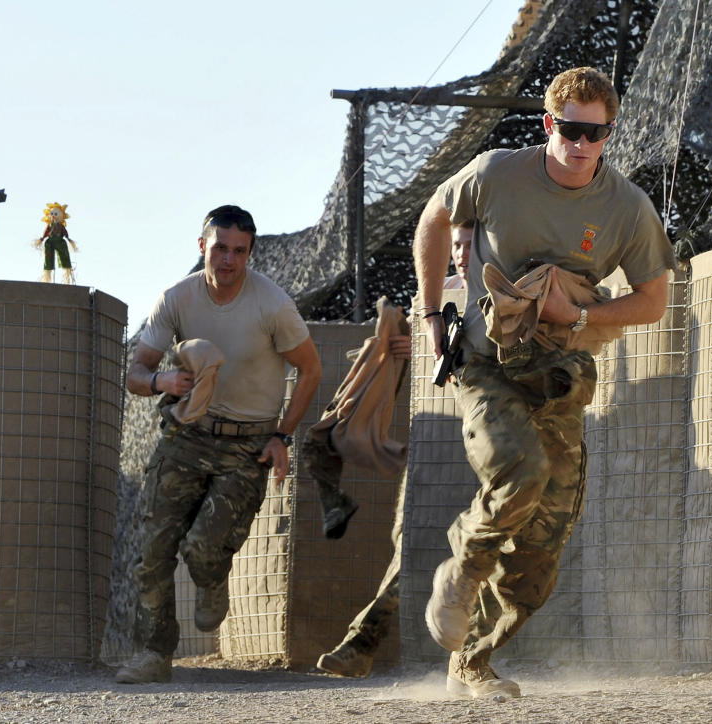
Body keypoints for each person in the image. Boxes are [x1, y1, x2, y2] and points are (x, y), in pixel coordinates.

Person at [413, 67, 675, 698]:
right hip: (485, 365)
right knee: (517, 471)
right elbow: (433, 218)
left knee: (543, 545)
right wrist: (429, 314)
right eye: (571, 129)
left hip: (561, 377)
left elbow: (653, 301)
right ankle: (461, 569)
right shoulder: (498, 173)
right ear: (548, 124)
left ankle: (473, 659)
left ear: (608, 135)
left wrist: (580, 315)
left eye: (597, 133)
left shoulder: (626, 208)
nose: (581, 144)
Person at [115, 205, 323, 684]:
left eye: (239, 252)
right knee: (152, 547)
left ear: (249, 253)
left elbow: (310, 369)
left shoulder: (272, 304)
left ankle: (212, 579)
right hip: (187, 435)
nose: (228, 260)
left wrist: (281, 436)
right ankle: (153, 652)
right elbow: (136, 372)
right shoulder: (176, 298)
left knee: (204, 548)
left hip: (246, 444)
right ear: (202, 246)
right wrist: (161, 379)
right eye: (220, 248)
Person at [316, 222, 472, 678]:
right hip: (436, 448)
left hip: (491, 450)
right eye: (455, 245)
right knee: (410, 545)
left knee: (479, 551)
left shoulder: (504, 292)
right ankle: (362, 645)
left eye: (469, 244)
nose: (461, 253)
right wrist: (406, 349)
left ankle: (462, 660)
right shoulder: (436, 300)